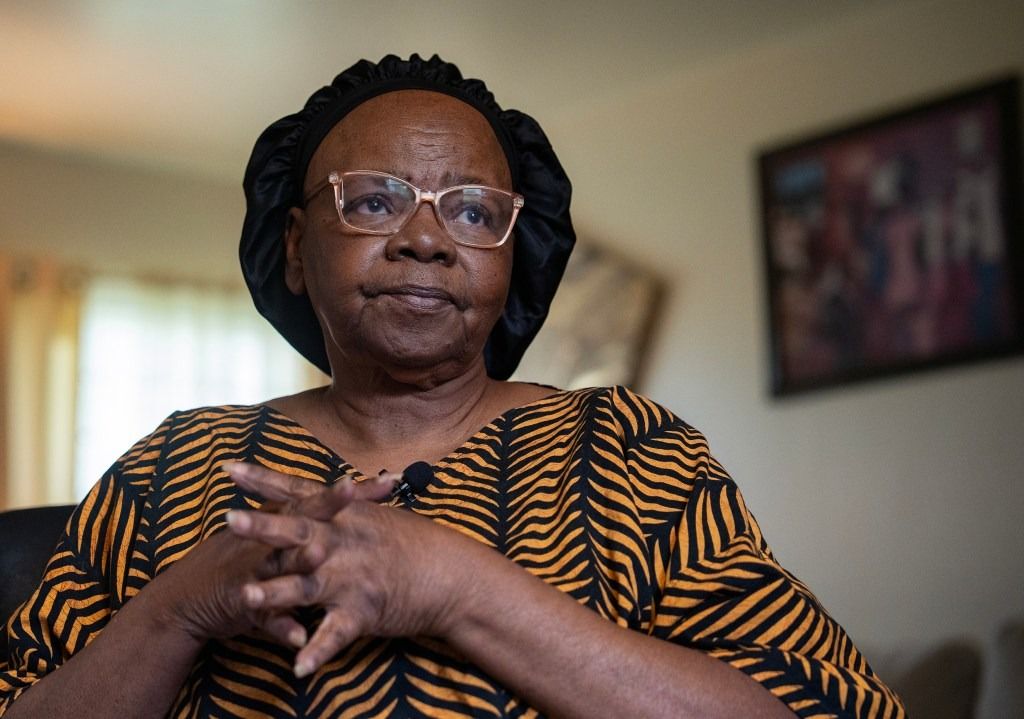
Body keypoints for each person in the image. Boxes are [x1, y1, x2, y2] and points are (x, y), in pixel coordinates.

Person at [0, 54, 904, 718]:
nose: (427, 239)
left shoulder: (628, 451)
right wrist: (180, 605)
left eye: (474, 211)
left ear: (510, 259)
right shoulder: (175, 466)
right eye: (375, 199)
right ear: (293, 247)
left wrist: (454, 584)